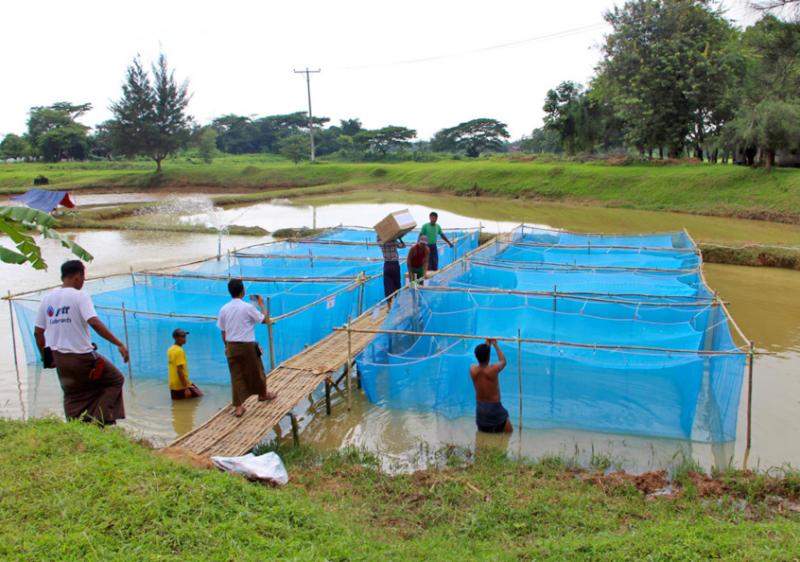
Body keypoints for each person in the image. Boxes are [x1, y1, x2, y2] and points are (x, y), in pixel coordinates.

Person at [33, 260, 129, 426]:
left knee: (72, 394)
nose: (83, 282)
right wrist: (119, 343)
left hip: (60, 359)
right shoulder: (80, 296)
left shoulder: (47, 299)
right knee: (115, 379)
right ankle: (98, 421)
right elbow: (94, 323)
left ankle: (74, 427)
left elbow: (38, 332)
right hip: (82, 357)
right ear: (78, 277)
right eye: (83, 278)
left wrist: (46, 357)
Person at [217, 279, 276, 417]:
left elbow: (223, 331)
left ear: (230, 292)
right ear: (243, 291)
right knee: (257, 370)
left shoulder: (224, 309)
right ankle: (262, 394)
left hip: (231, 345)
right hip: (247, 346)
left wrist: (226, 346)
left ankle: (238, 407)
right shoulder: (248, 307)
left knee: (236, 375)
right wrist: (261, 304)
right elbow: (265, 320)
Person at [469, 339, 512, 434]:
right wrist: (495, 345)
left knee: (484, 434)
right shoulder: (493, 370)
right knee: (509, 432)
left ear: (476, 356)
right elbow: (503, 361)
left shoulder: (472, 369)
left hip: (480, 409)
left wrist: (487, 345)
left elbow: (483, 357)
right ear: (488, 357)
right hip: (494, 408)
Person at [167, 328, 203, 400]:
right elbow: (179, 371)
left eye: (185, 336)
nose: (185, 338)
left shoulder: (170, 349)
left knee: (178, 405)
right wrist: (186, 388)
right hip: (181, 385)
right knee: (201, 397)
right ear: (176, 338)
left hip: (173, 384)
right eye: (182, 336)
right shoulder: (180, 351)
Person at [379, 234, 405, 300]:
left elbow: (378, 238)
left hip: (387, 265)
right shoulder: (394, 241)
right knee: (397, 283)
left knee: (388, 285)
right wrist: (400, 238)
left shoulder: (382, 243)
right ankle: (397, 301)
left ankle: (389, 303)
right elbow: (403, 246)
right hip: (395, 264)